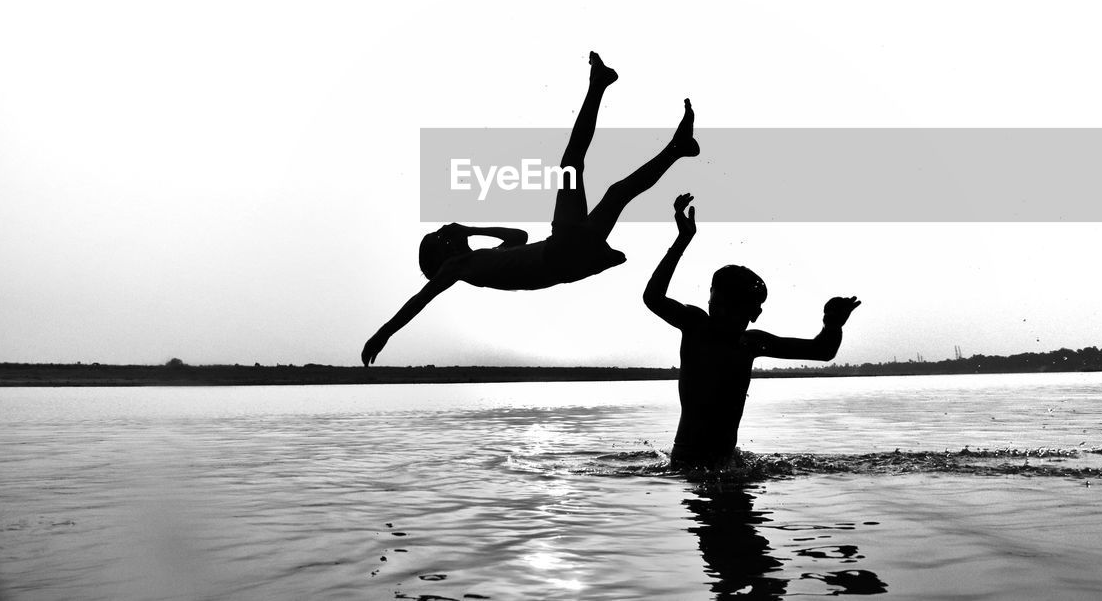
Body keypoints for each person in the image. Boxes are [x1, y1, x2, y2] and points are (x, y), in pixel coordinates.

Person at [362, 52, 699, 366]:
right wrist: (384, 333)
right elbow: (420, 300)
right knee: (571, 165)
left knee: (617, 193)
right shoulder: (456, 267)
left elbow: (518, 235)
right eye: (439, 238)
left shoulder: (485, 263)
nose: (445, 234)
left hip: (569, 259)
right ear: (441, 257)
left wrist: (469, 229)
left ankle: (677, 149)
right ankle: (598, 85)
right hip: (562, 251)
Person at [643, 194, 861, 470]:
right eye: (715, 301)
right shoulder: (697, 326)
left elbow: (822, 351)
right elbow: (653, 298)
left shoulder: (751, 343)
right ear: (711, 301)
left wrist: (833, 325)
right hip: (689, 462)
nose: (717, 309)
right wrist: (682, 241)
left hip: (727, 462)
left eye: (729, 306)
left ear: (752, 313)